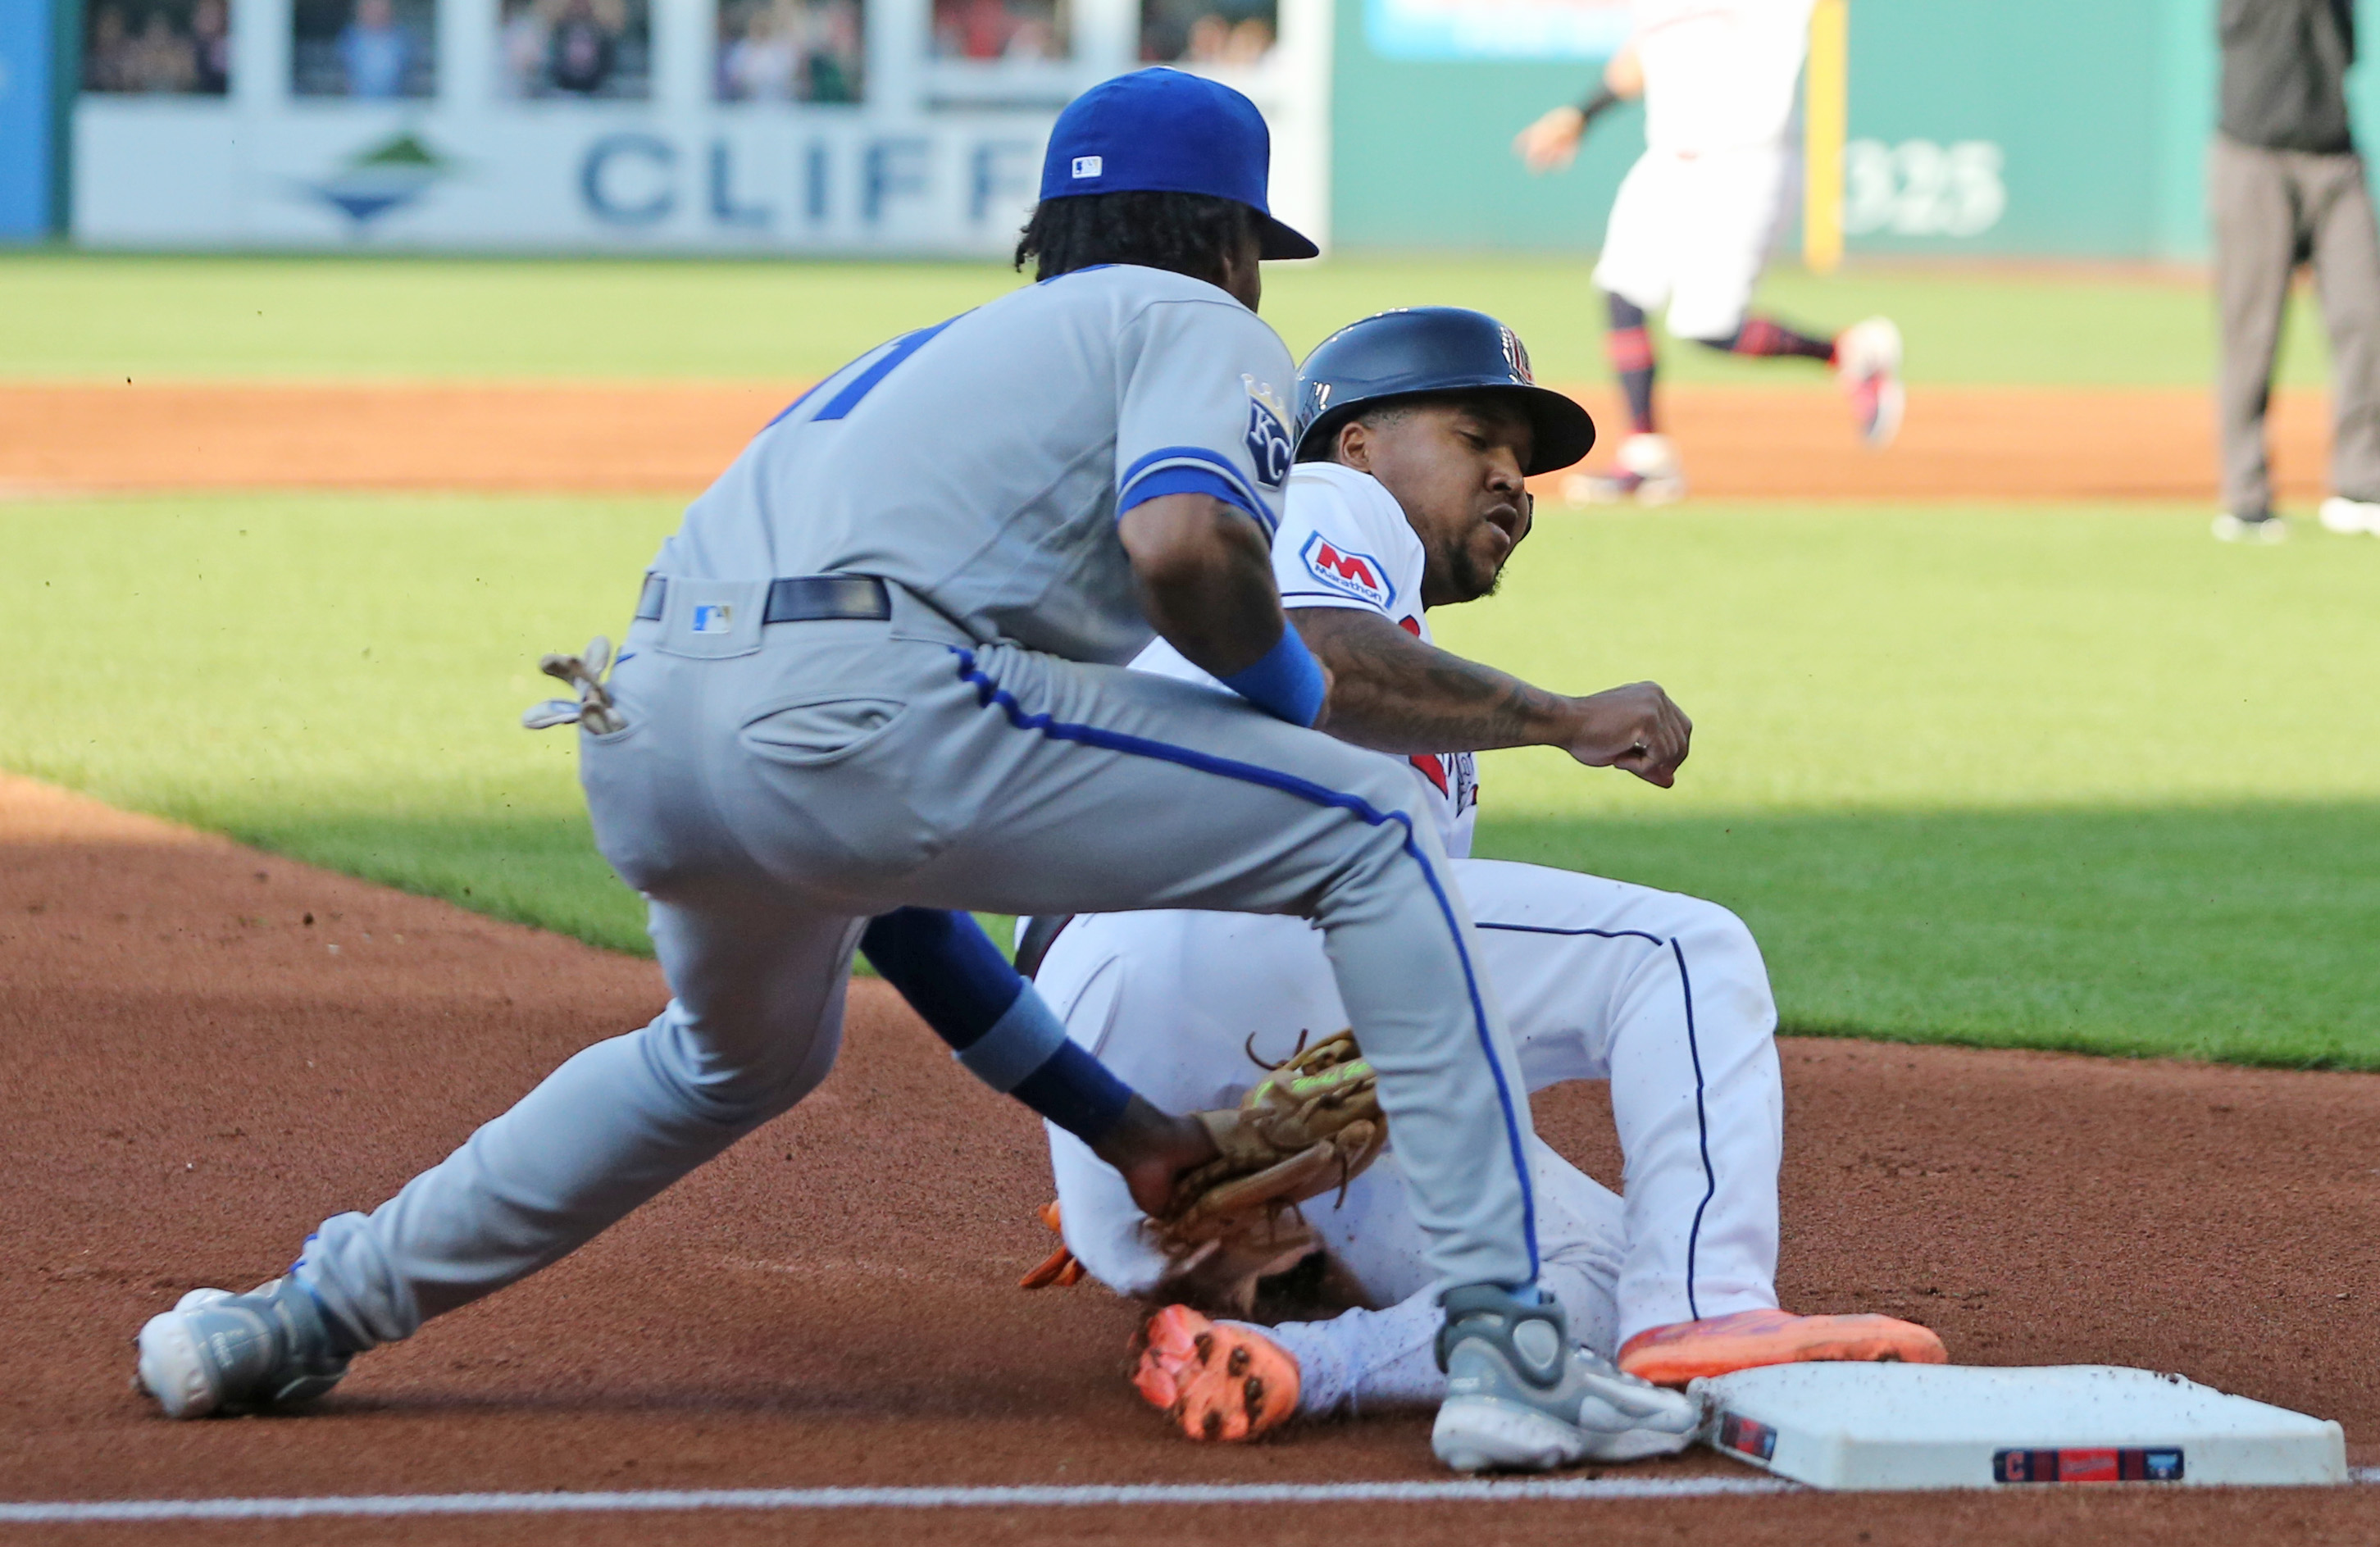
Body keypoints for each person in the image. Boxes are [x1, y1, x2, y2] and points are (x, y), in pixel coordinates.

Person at [131, 70, 1695, 1477]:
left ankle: (289, 1316)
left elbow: (876, 872)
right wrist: (1287, 697)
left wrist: (1115, 1120)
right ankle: (1510, 1344)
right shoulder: (1194, 323)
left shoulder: (916, 365)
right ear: (1226, 238)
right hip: (862, 697)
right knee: (1368, 824)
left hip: (647, 726)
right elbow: (1180, 542)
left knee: (724, 1057)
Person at [1018, 307, 1945, 1445]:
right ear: (1354, 441)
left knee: (1588, 1278)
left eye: (1526, 464)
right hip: (1208, 914)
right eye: (1475, 440)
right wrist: (1559, 716)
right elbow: (1305, 646)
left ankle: (1297, 1357)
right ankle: (1707, 1304)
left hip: (1132, 1082)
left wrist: (1115, 1121)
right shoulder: (1318, 498)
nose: (1512, 483)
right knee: (1677, 955)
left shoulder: (1417, 711)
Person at [1512, 2, 1903, 505]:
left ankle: (1850, 352)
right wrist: (1579, 116)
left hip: (1747, 163)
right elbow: (1642, 58)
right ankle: (1646, 457)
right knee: (1621, 287)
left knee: (1708, 326)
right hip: (1669, 159)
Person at [2209, 0, 2380, 544]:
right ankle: (2246, 498)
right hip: (2252, 152)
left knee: (2366, 318)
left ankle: (2359, 486)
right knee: (2252, 332)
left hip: (2332, 154)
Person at [337, 0, 415, 99]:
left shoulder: (402, 40)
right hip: (356, 107)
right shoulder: (349, 39)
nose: (377, 11)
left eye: (381, 7)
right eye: (371, 7)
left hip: (395, 106)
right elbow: (343, 75)